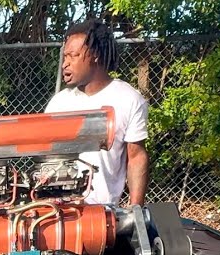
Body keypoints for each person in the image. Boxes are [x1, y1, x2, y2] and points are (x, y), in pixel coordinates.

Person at [45, 18, 149, 207]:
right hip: (58, 210)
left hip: (102, 213)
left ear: (94, 55)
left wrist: (136, 210)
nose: (64, 64)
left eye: (73, 56)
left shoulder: (129, 99)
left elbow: (136, 156)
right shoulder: (59, 103)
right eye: (65, 57)